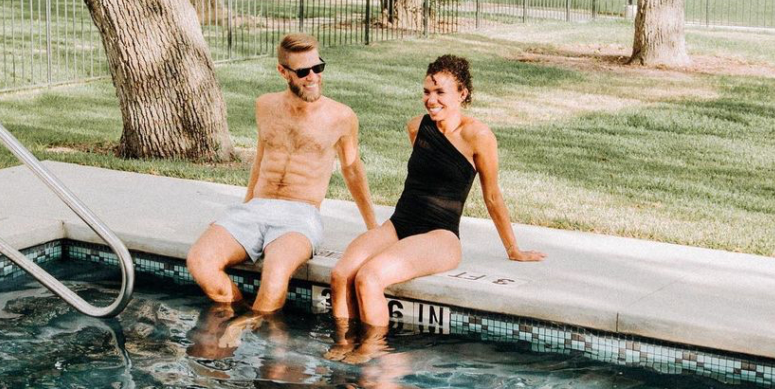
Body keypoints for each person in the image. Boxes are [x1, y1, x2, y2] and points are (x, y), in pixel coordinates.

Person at [329, 54, 544, 333]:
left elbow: (492, 197)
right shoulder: (417, 127)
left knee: (368, 277)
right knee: (340, 274)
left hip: (440, 236)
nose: (431, 100)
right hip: (399, 224)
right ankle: (344, 346)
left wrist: (513, 249)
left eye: (441, 92)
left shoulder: (478, 136)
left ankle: (372, 358)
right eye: (427, 92)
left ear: (462, 93)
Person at [187, 33, 377, 313]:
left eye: (318, 67)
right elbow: (261, 159)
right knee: (200, 262)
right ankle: (240, 320)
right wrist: (247, 204)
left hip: (300, 215)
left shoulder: (341, 116)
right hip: (256, 209)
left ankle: (247, 329)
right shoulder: (265, 105)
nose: (313, 77)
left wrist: (374, 229)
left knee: (275, 274)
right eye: (303, 71)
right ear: (283, 72)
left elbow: (352, 170)